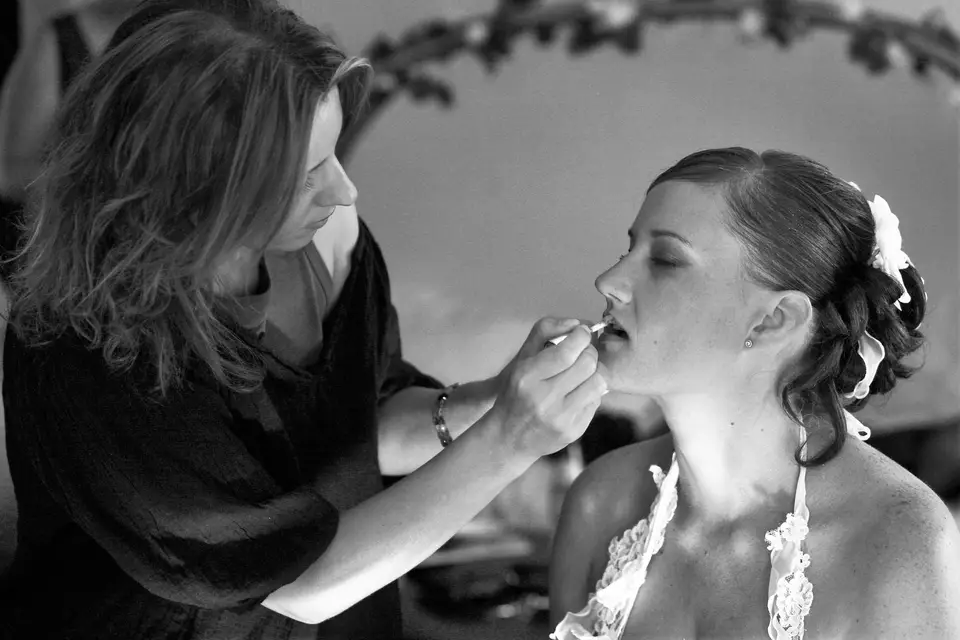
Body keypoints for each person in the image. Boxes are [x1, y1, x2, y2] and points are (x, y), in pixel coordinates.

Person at [0, 2, 608, 639]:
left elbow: (359, 427)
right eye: (308, 172)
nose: (345, 191)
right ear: (195, 189)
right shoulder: (83, 348)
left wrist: (493, 401)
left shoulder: (328, 243)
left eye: (334, 153)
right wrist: (510, 441)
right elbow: (303, 584)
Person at [549, 148, 960, 639]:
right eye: (627, 250)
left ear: (774, 320)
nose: (609, 281)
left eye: (664, 260)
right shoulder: (600, 501)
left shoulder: (898, 539)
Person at [0, 0, 139, 279]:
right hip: (59, 261)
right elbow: (10, 176)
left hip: (133, 262)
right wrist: (93, 183)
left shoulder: (177, 39)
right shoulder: (60, 39)